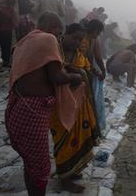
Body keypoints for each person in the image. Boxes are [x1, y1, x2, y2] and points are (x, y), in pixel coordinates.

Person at [5, 12, 82, 196]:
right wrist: (75, 77)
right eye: (58, 32)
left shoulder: (25, 40)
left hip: (17, 108)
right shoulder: (47, 38)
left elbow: (40, 69)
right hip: (32, 110)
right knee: (40, 167)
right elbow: (56, 77)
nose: (58, 37)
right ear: (52, 27)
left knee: (30, 163)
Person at [50, 23, 100, 193]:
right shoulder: (54, 50)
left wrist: (79, 72)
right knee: (63, 140)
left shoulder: (79, 55)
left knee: (79, 137)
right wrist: (73, 72)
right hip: (60, 104)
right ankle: (64, 178)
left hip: (80, 104)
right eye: (74, 38)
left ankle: (73, 170)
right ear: (66, 34)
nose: (77, 42)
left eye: (80, 40)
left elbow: (88, 72)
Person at [82, 19, 107, 132]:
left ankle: (91, 126)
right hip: (81, 73)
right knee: (86, 102)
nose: (98, 35)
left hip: (88, 72)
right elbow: (81, 59)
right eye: (98, 32)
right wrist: (101, 71)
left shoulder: (92, 39)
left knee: (89, 101)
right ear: (95, 30)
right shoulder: (83, 39)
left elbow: (94, 58)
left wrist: (98, 71)